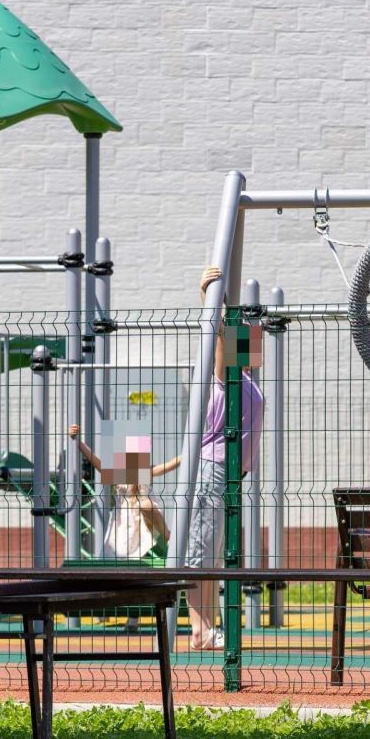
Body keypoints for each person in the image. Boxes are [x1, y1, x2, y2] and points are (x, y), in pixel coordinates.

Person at [186, 265, 265, 651]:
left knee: (214, 552)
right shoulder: (223, 379)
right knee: (202, 551)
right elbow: (220, 335)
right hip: (215, 469)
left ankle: (206, 627)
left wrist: (228, 303)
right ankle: (199, 629)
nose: (252, 343)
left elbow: (230, 331)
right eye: (245, 339)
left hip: (232, 474)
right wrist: (209, 297)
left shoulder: (247, 380)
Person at [68, 423, 179, 631]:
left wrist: (193, 449)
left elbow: (170, 464)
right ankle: (130, 616)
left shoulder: (146, 473)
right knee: (126, 569)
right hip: (123, 529)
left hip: (144, 524)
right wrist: (78, 441)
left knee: (146, 506)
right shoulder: (117, 474)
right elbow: (96, 461)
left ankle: (167, 535)